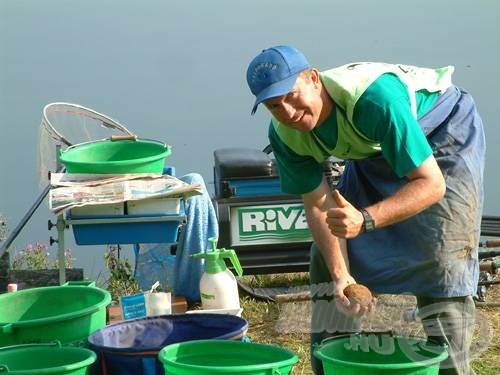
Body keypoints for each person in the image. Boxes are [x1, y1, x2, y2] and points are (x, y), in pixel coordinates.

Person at [246, 45, 485, 375]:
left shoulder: (375, 99)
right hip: (373, 149)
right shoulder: (286, 135)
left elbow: (432, 185)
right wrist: (342, 275)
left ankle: (449, 369)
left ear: (313, 79)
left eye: (291, 95)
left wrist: (367, 219)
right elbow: (318, 205)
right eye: (274, 105)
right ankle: (336, 363)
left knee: (442, 258)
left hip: (441, 136)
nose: (287, 111)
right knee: (325, 258)